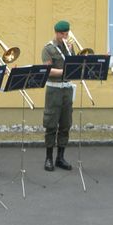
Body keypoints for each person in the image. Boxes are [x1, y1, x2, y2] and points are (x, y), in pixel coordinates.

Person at [41, 20, 75, 171]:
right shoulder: (48, 48)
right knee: (51, 124)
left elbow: (75, 64)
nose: (65, 36)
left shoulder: (68, 47)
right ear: (56, 33)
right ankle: (48, 158)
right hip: (54, 89)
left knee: (65, 124)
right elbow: (48, 69)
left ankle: (60, 157)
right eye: (63, 34)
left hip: (67, 89)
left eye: (67, 34)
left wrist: (71, 51)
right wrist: (65, 72)